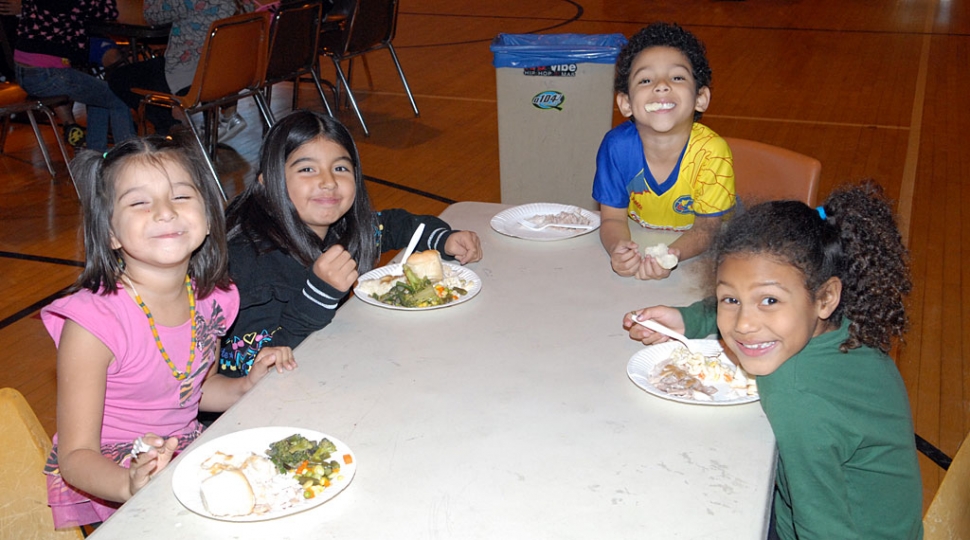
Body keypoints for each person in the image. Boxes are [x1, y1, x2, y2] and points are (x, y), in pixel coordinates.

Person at [623, 181, 922, 539]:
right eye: (729, 300)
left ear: (825, 297)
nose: (745, 325)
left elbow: (820, 527)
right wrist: (690, 319)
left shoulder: (797, 399)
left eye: (769, 301)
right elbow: (748, 301)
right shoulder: (846, 325)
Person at [40, 136, 295, 529]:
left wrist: (246, 385)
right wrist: (129, 483)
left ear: (209, 218)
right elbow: (76, 456)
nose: (164, 212)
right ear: (110, 233)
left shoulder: (214, 298)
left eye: (180, 197)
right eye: (139, 202)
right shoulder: (93, 326)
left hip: (183, 454)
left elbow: (195, 391)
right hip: (112, 477)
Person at [219, 110, 483, 377]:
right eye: (307, 169)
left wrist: (444, 239)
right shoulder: (248, 265)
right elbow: (248, 372)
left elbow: (394, 225)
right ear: (268, 182)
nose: (328, 182)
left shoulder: (342, 231)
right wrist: (318, 295)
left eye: (340, 168)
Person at [593, 22, 735, 280]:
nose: (661, 86)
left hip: (699, 258)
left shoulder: (712, 153)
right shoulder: (616, 147)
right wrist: (618, 249)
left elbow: (707, 229)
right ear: (625, 103)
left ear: (700, 97)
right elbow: (612, 220)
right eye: (645, 80)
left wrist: (672, 255)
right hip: (643, 242)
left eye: (677, 77)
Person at [106, 0, 253, 138]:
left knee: (119, 78)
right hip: (230, 73)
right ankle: (182, 125)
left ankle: (174, 129)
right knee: (154, 68)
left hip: (192, 76)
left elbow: (151, 15)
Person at [13, 0, 135, 151]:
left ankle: (94, 158)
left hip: (24, 71)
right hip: (47, 73)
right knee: (119, 96)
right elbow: (110, 10)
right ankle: (128, 160)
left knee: (99, 96)